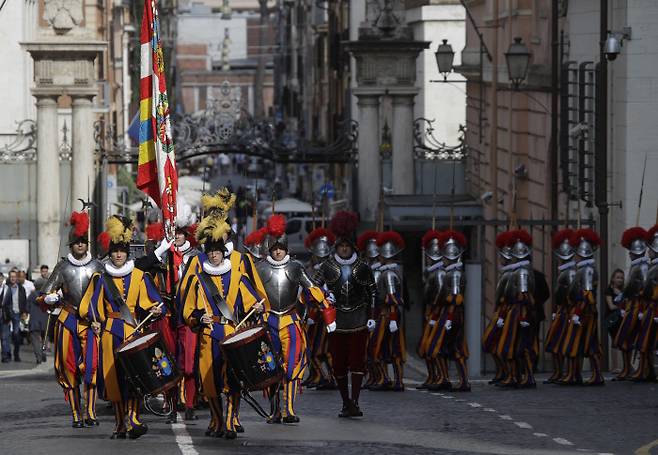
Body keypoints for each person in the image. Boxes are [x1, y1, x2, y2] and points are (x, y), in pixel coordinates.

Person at [79, 215, 164, 439]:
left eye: (122, 251)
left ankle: (133, 419)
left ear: (127, 253)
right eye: (115, 251)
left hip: (133, 331)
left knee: (134, 377)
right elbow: (91, 306)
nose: (118, 255)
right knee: (115, 380)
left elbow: (156, 301)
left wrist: (156, 309)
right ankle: (119, 423)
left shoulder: (139, 275)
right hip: (110, 334)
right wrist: (96, 320)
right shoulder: (101, 277)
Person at [182, 215, 262, 439]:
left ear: (223, 253)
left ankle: (229, 421)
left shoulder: (237, 276)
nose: (214, 255)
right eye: (210, 252)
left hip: (232, 333)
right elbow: (187, 310)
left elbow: (252, 302)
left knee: (233, 379)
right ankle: (216, 420)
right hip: (209, 336)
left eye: (217, 252)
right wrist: (198, 318)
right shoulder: (198, 279)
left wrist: (256, 307)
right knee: (210, 382)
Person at [256, 214, 333, 424]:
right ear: (269, 249)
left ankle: (289, 409)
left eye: (281, 247)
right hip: (268, 321)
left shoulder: (296, 267)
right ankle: (275, 411)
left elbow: (312, 289)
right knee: (270, 367)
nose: (278, 251)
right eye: (274, 248)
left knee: (291, 366)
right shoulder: (259, 268)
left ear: (286, 248)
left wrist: (326, 309)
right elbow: (247, 292)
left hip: (290, 321)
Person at [38, 211, 104, 427]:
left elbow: (107, 295)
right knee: (69, 369)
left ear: (87, 244)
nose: (80, 245)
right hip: (67, 320)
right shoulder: (63, 267)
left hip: (91, 322)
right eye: (76, 242)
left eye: (83, 242)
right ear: (71, 245)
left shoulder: (97, 266)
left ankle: (91, 412)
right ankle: (77, 413)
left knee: (91, 368)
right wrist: (50, 298)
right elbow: (45, 294)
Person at [313, 211, 376, 418]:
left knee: (358, 362)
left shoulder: (363, 267)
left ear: (352, 247)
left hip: (358, 320)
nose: (344, 249)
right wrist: (325, 297)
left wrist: (371, 315)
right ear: (336, 247)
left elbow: (373, 292)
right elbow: (314, 288)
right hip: (336, 321)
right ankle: (345, 401)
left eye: (347, 246)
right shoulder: (327, 266)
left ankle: (355, 401)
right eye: (341, 246)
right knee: (338, 363)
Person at [426, 230, 470, 392]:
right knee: (442, 348)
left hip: (452, 314)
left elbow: (455, 298)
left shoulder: (455, 274)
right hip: (446, 313)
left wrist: (449, 317)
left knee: (451, 348)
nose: (442, 258)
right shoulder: (450, 272)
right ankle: (445, 378)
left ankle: (463, 381)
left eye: (445, 256)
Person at [561, 228, 605, 386]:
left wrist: (578, 312)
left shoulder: (586, 270)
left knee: (583, 343)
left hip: (584, 311)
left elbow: (587, 294)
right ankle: (577, 374)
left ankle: (592, 375)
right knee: (580, 344)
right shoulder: (585, 268)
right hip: (583, 310)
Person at [496, 229, 537, 388]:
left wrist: (523, 317)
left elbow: (523, 296)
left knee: (521, 346)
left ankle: (527, 376)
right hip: (514, 310)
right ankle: (515, 376)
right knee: (513, 346)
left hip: (520, 312)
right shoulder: (519, 270)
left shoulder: (521, 272)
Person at [370, 231, 407, 391]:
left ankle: (395, 380)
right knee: (385, 347)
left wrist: (392, 319)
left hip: (388, 315)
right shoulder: (389, 271)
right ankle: (386, 379)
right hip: (384, 314)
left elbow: (392, 299)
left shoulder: (389, 274)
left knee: (389, 347)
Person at [303, 227, 336, 390]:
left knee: (321, 350)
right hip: (315, 313)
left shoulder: (330, 268)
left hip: (327, 314)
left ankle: (329, 377)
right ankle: (318, 376)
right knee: (313, 347)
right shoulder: (315, 267)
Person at [613, 227, 648, 381]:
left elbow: (644, 290)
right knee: (624, 340)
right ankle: (628, 369)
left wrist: (640, 308)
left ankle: (644, 370)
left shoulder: (643, 267)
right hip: (630, 307)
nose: (629, 253)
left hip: (638, 308)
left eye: (631, 251)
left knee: (641, 341)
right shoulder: (635, 266)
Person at [543, 229, 576, 384]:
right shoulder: (564, 271)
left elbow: (573, 295)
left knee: (569, 345)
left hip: (570, 312)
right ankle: (559, 372)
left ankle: (570, 373)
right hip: (562, 311)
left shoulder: (570, 273)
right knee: (554, 342)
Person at [482, 231, 513, 385]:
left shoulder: (513, 274)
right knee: (492, 343)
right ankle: (503, 372)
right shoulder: (506, 274)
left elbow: (514, 298)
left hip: (510, 313)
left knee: (509, 347)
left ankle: (514, 374)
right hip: (502, 312)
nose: (500, 259)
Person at [416, 230, 444, 390]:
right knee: (426, 348)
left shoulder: (438, 274)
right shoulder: (432, 272)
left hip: (439, 313)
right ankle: (434, 376)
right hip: (431, 313)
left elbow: (438, 296)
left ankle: (442, 377)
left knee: (435, 348)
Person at [1, 270, 27, 363]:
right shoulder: (5, 288)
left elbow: (24, 301)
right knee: (5, 336)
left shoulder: (21, 288)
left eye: (14, 276)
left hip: (17, 314)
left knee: (16, 335)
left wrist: (24, 312)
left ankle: (16, 354)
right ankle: (6, 355)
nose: (13, 278)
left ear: (17, 278)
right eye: (11, 276)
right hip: (6, 314)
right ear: (9, 277)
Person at [26, 290, 48, 364]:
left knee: (35, 340)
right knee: (45, 339)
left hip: (34, 320)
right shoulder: (47, 296)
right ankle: (43, 353)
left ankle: (38, 357)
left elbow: (27, 308)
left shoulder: (32, 295)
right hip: (45, 320)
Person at [604, 269, 625, 342]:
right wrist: (620, 307)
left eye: (621, 278)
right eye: (618, 277)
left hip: (622, 318)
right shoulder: (609, 290)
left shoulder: (623, 290)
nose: (620, 280)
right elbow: (611, 306)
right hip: (612, 319)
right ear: (613, 279)